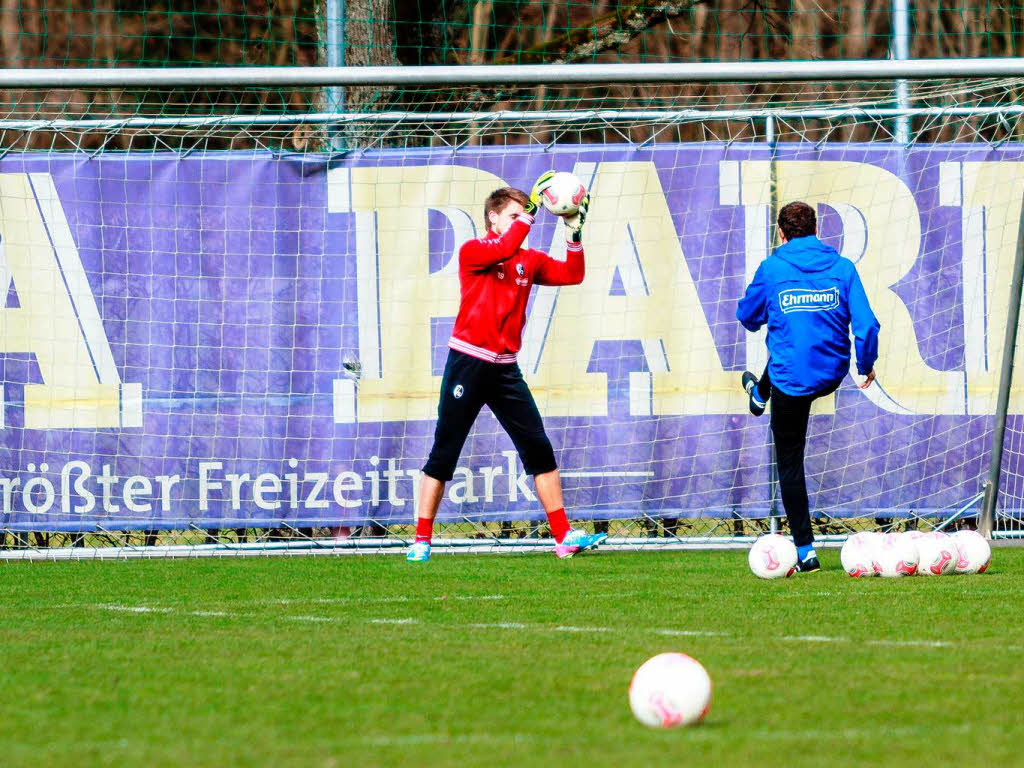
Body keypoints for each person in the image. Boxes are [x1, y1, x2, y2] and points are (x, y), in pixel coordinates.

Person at [407, 173, 606, 562]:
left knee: (538, 449)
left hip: (505, 370)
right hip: (468, 362)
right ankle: (421, 540)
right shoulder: (474, 251)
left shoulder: (527, 260)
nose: (521, 222)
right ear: (494, 219)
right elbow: (506, 245)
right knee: (444, 453)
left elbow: (573, 274)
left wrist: (573, 234)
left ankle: (564, 538)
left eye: (523, 215)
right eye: (512, 215)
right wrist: (530, 212)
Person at [736, 201, 880, 573]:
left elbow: (748, 318)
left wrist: (764, 308)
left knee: (789, 462)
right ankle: (759, 394)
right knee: (790, 340)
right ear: (818, 231)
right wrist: (866, 364)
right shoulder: (843, 268)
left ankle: (806, 551)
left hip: (793, 382)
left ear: (781, 234)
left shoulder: (773, 269)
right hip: (832, 371)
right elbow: (867, 327)